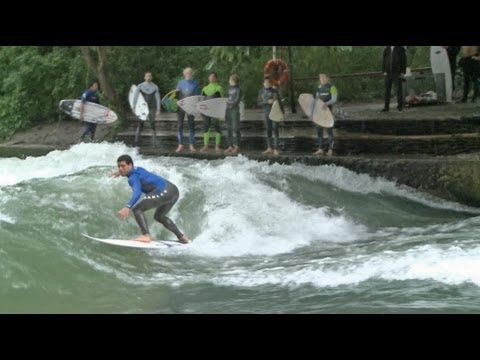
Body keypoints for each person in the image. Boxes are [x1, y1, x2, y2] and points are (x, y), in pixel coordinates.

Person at [110, 154, 191, 244]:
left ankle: (146, 235)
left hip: (164, 191)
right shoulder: (138, 169)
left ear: (130, 165)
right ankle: (182, 237)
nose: (120, 168)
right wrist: (120, 173)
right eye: (119, 166)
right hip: (173, 190)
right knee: (159, 216)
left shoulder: (133, 178)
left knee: (137, 209)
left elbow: (137, 192)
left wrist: (127, 207)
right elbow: (133, 173)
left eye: (123, 166)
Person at [132, 72, 161, 147]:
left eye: (150, 76)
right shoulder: (140, 86)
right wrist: (134, 107)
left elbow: (158, 99)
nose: (148, 77)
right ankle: (136, 142)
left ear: (151, 77)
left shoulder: (155, 87)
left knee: (152, 124)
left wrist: (158, 109)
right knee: (140, 124)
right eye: (147, 76)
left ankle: (154, 143)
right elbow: (135, 97)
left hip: (151, 108)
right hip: (142, 108)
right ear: (144, 77)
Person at [176, 67, 201, 153]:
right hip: (181, 107)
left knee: (191, 125)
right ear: (184, 73)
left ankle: (191, 144)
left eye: (189, 73)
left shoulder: (195, 83)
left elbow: (197, 97)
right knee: (180, 126)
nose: (188, 74)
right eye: (186, 73)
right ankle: (180, 144)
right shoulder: (180, 83)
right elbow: (176, 95)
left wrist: (193, 108)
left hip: (191, 107)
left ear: (192, 74)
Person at [257, 76, 283, 155]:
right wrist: (267, 102)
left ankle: (276, 148)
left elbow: (278, 101)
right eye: (266, 82)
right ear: (263, 83)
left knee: (275, 129)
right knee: (268, 130)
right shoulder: (261, 91)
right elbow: (258, 103)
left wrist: (282, 112)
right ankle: (269, 148)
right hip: (266, 113)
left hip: (275, 113)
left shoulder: (274, 90)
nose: (267, 84)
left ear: (270, 83)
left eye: (269, 82)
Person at [313, 73, 337, 156]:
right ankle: (320, 149)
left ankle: (330, 150)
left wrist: (326, 104)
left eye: (323, 77)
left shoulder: (332, 87)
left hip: (328, 112)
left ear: (327, 78)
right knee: (319, 131)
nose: (322, 79)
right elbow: (315, 99)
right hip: (319, 113)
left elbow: (334, 99)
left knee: (329, 131)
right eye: (320, 78)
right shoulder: (318, 88)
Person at [200, 71, 224, 153]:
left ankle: (217, 146)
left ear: (216, 78)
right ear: (208, 78)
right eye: (210, 76)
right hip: (206, 111)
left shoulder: (219, 88)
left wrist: (222, 113)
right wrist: (201, 111)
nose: (212, 78)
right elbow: (202, 101)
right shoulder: (204, 89)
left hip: (216, 110)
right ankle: (206, 146)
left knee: (217, 127)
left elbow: (222, 101)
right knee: (206, 127)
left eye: (213, 76)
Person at [380, 46, 407, 112]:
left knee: (399, 90)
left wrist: (403, 72)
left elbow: (404, 60)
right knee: (387, 91)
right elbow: (384, 60)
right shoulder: (386, 49)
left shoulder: (401, 48)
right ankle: (386, 108)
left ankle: (400, 107)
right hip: (387, 73)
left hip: (397, 72)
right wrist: (384, 71)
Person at [224, 74, 243, 155]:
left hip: (234, 110)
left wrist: (229, 103)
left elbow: (237, 100)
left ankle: (237, 146)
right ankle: (230, 146)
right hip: (228, 109)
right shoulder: (229, 88)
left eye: (230, 80)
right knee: (228, 128)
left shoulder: (238, 89)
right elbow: (225, 98)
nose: (229, 81)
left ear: (233, 80)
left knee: (236, 128)